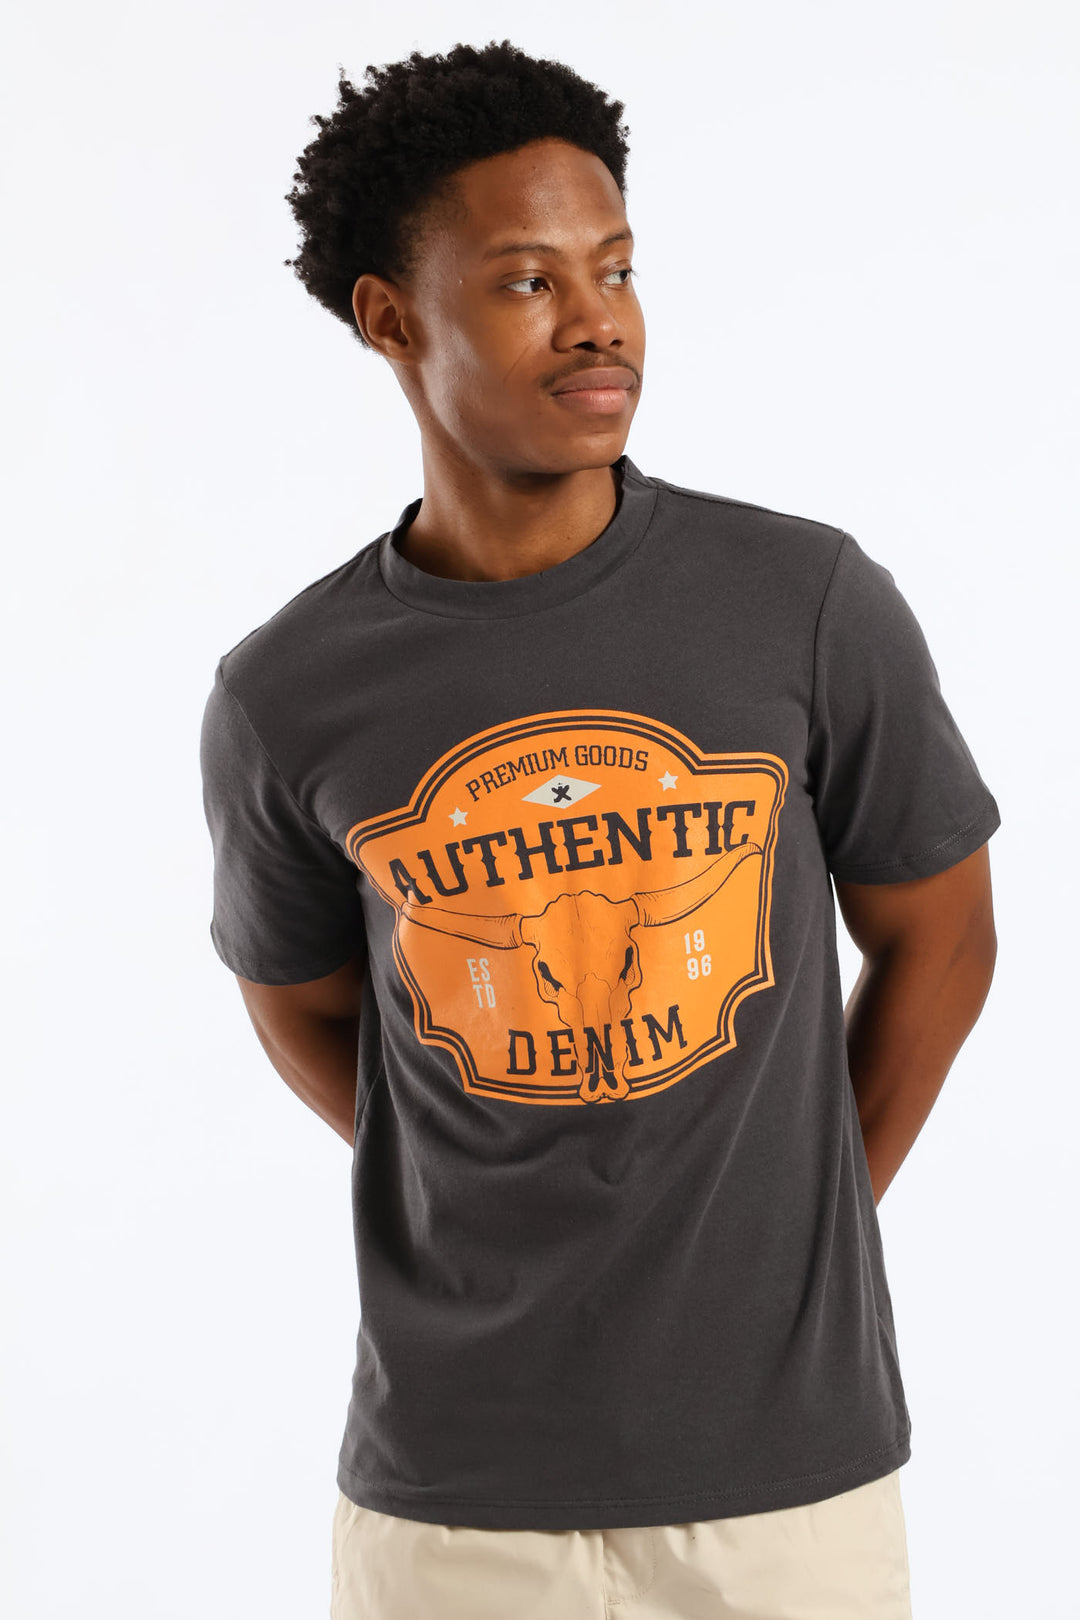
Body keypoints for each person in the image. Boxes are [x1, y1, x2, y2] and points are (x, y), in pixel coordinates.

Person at [199, 39, 1000, 1620]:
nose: (600, 319)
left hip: (787, 1489)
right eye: (528, 279)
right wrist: (493, 1162)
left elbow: (944, 934)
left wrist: (801, 1203)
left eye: (616, 268)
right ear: (390, 317)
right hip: (454, 1503)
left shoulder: (805, 601)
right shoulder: (287, 693)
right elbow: (303, 1006)